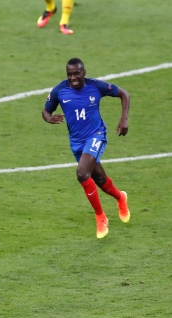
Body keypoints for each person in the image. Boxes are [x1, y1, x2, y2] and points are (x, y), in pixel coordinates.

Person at [42, 57, 131, 239]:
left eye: (76, 73)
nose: (73, 77)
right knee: (99, 179)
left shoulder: (96, 86)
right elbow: (45, 110)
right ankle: (120, 197)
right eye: (69, 74)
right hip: (76, 142)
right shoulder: (60, 90)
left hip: (96, 135)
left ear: (84, 72)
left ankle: (100, 216)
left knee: (82, 173)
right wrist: (49, 118)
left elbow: (124, 94)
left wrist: (124, 119)